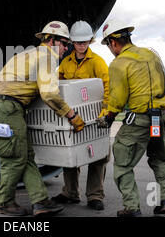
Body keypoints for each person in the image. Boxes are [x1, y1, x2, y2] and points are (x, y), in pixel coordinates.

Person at [0, 21, 85, 217]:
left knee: (25, 156)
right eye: (65, 44)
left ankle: (41, 201)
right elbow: (49, 94)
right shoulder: (47, 57)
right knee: (14, 157)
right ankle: (3, 202)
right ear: (53, 41)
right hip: (7, 107)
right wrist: (72, 116)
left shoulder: (29, 54)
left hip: (5, 105)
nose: (66, 49)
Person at [96, 19, 165, 217]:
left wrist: (107, 118)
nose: (110, 49)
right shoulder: (151, 54)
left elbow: (117, 99)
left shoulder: (118, 63)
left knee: (123, 164)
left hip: (139, 120)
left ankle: (132, 207)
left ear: (113, 42)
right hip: (161, 118)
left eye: (108, 45)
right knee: (160, 158)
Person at [52, 20, 110, 211]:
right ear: (72, 43)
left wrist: (105, 114)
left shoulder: (98, 62)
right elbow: (56, 86)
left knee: (98, 157)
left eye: (84, 41)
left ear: (90, 41)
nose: (81, 45)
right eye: (78, 42)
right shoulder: (66, 63)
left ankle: (95, 195)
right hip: (74, 117)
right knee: (70, 152)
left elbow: (108, 89)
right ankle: (70, 192)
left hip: (96, 117)